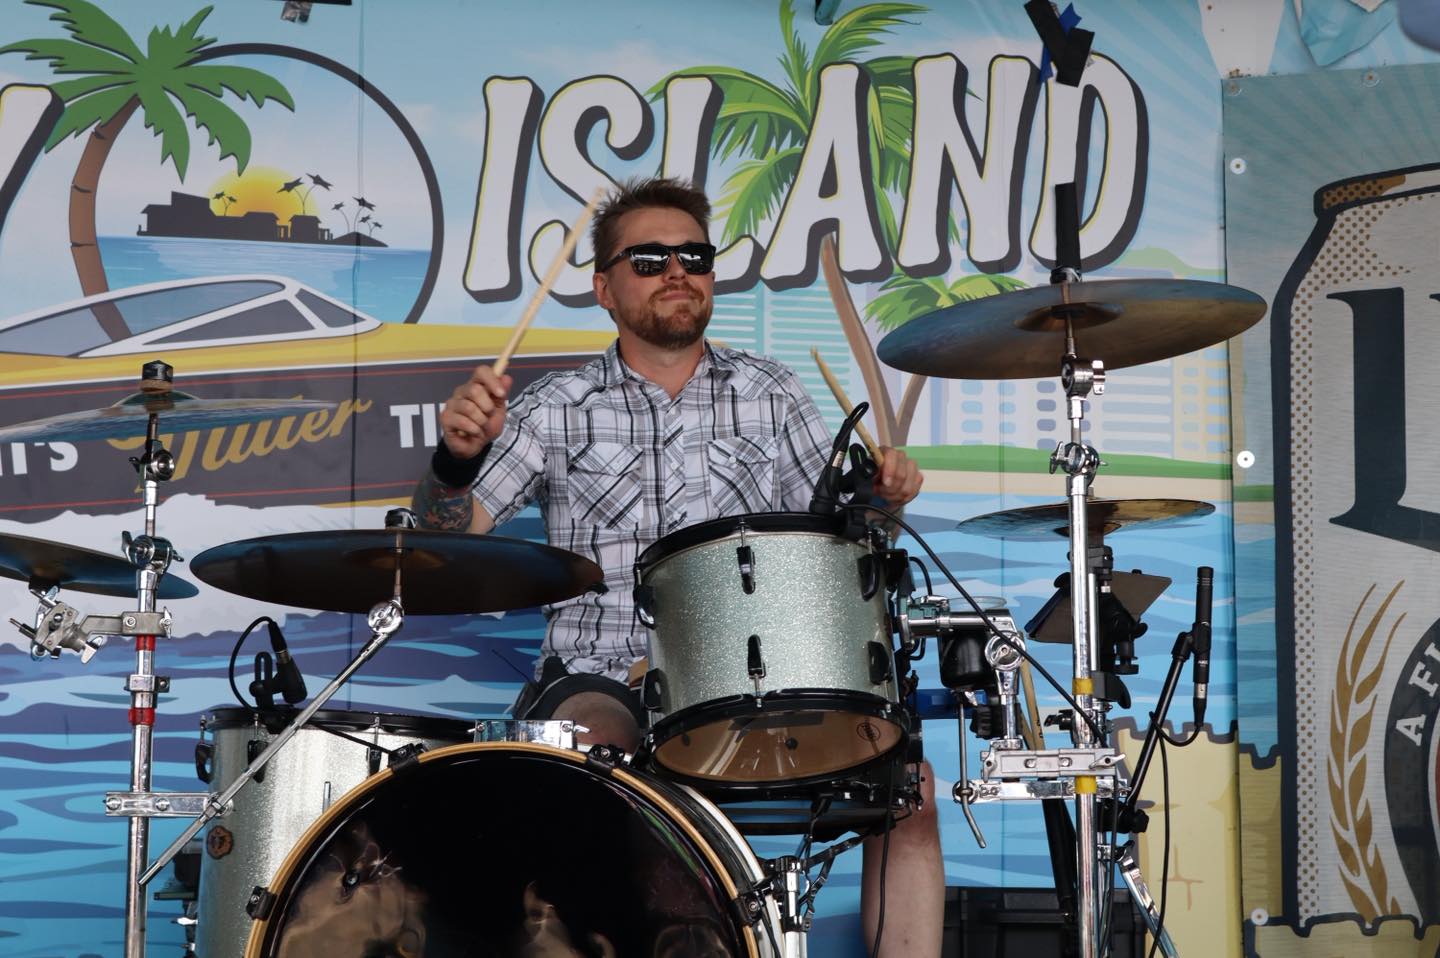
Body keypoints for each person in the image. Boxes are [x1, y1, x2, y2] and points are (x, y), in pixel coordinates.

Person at [412, 177, 942, 956]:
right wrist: (455, 463)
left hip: (757, 681)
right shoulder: (556, 405)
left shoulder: (773, 391)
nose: (677, 271)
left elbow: (842, 547)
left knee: (908, 788)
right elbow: (445, 540)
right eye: (650, 257)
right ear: (603, 287)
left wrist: (881, 501)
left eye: (693, 255)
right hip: (605, 671)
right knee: (587, 753)